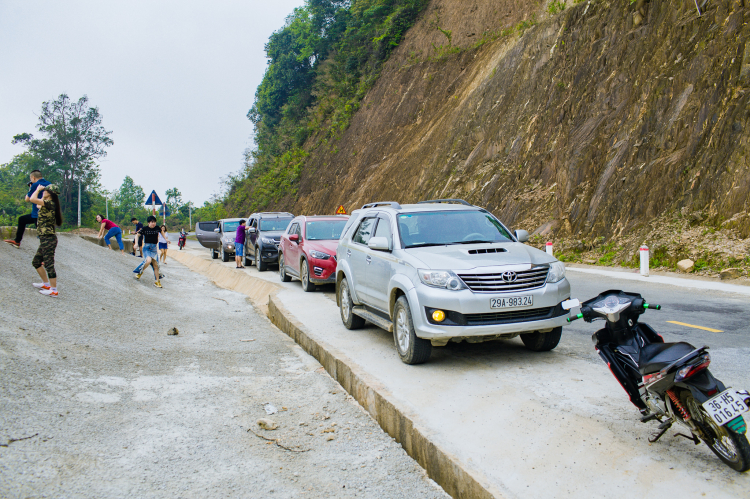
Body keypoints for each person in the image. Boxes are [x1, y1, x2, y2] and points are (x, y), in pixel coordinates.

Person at [29, 184, 62, 297]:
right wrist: (42, 194)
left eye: (46, 190)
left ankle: (54, 290)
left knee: (49, 264)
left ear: (51, 193)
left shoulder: (50, 204)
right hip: (45, 238)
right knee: (36, 262)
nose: (44, 191)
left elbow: (32, 199)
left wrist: (37, 190)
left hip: (48, 238)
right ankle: (46, 284)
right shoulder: (48, 204)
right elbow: (38, 204)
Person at [4, 169, 50, 248]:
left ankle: (46, 258)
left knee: (43, 237)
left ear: (33, 178)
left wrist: (30, 188)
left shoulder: (35, 185)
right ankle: (17, 241)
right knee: (22, 219)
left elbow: (27, 199)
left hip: (37, 215)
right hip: (47, 213)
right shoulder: (49, 184)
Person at [133, 216, 163, 288]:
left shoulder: (157, 228)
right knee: (148, 260)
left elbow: (162, 232)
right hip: (147, 248)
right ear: (149, 223)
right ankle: (140, 272)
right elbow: (137, 235)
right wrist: (136, 243)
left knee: (156, 265)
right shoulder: (145, 229)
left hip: (154, 249)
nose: (153, 223)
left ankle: (157, 282)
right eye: (152, 222)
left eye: (154, 222)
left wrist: (166, 239)